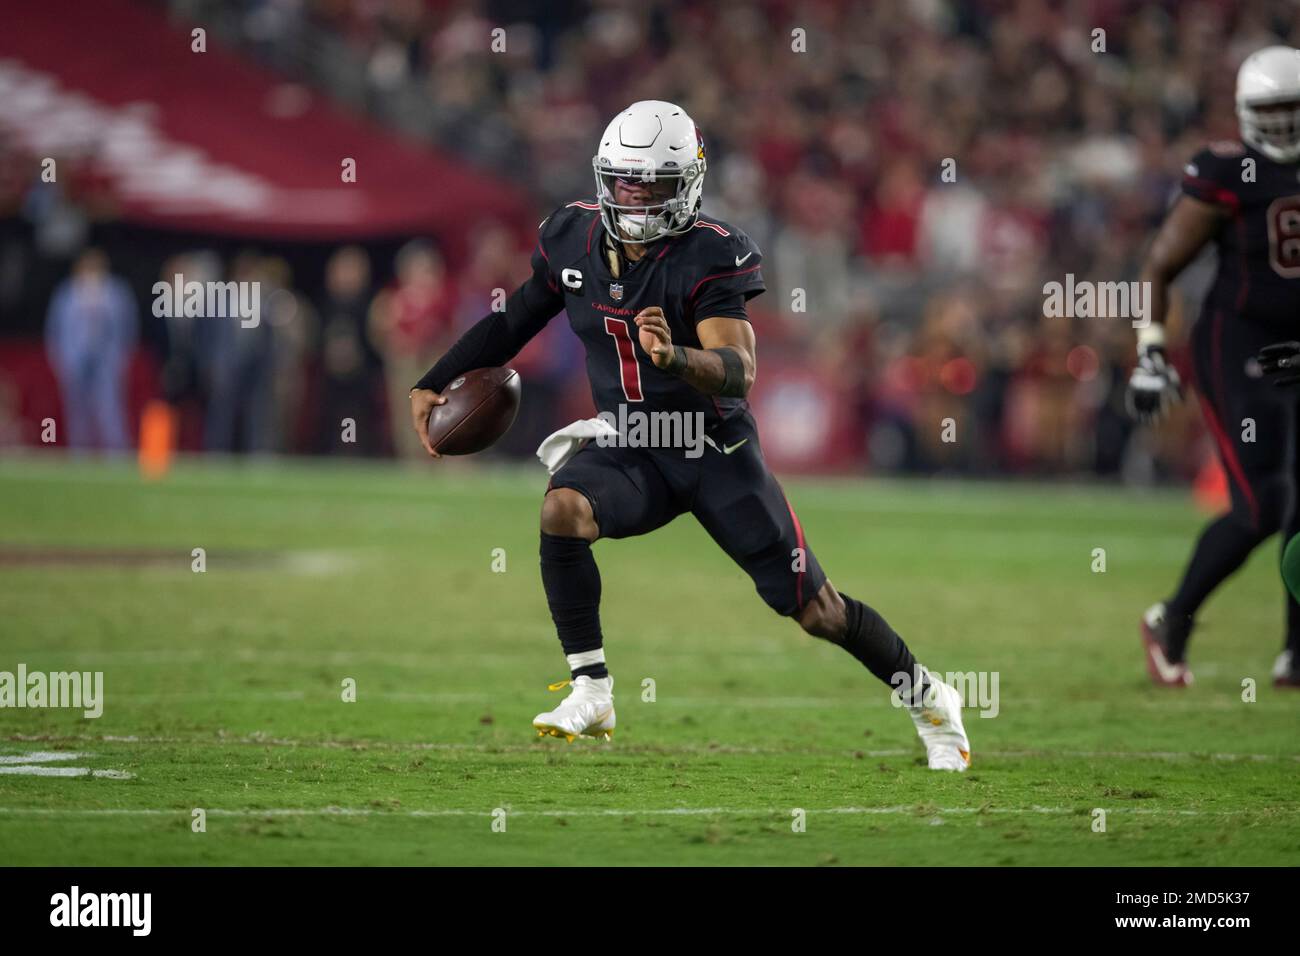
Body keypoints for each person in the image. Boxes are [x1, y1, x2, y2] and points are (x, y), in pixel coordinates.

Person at [409, 101, 970, 769]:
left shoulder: (710, 253)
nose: (636, 200)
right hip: (631, 444)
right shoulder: (571, 239)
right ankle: (591, 689)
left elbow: (738, 371)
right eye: (625, 183)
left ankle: (929, 695)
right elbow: (515, 320)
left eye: (652, 187)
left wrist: (675, 358)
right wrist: (434, 378)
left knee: (816, 610)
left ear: (688, 184)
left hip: (713, 449)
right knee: (562, 510)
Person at [1128, 47, 1300, 688]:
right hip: (1240, 347)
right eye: (1269, 112)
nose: (1281, 124)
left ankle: (1296, 653)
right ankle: (1171, 618)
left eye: (1291, 110)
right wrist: (1150, 350)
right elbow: (1160, 264)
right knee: (1264, 503)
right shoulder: (1230, 172)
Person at [44, 247, 137, 452]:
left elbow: (127, 328)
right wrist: (59, 360)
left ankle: (116, 453)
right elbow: (55, 329)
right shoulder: (67, 292)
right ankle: (80, 452)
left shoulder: (116, 292)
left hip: (106, 358)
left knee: (109, 407)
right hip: (75, 357)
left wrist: (122, 358)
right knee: (77, 409)